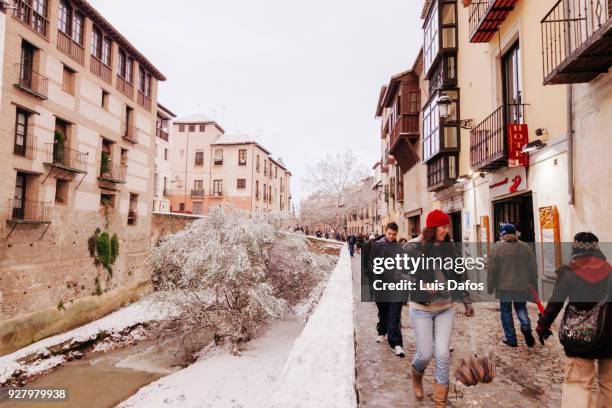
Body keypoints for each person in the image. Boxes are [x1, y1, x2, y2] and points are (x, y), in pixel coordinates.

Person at [405, 209, 475, 407]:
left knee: (443, 354)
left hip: (445, 307)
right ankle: (416, 377)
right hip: (421, 308)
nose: (446, 230)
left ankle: (439, 401)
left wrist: (466, 301)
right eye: (443, 227)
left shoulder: (449, 246)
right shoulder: (413, 247)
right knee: (425, 353)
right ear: (432, 228)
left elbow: (458, 275)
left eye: (447, 226)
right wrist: (422, 285)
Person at [536, 232, 612, 408]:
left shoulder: (569, 273)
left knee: (578, 384)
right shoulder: (609, 272)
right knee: (609, 385)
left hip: (580, 337)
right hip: (609, 336)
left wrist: (542, 325)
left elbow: (555, 303)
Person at [487, 223, 538, 348]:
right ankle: (526, 327)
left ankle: (511, 339)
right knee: (521, 308)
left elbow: (492, 269)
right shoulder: (526, 248)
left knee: (506, 312)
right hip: (522, 286)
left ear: (503, 234)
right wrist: (534, 286)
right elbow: (533, 269)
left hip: (504, 287)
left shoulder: (498, 248)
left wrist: (490, 286)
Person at [367, 222, 407, 358]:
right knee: (383, 311)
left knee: (394, 315)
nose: (391, 236)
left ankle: (396, 344)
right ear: (385, 232)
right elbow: (371, 264)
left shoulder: (399, 248)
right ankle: (381, 331)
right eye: (389, 233)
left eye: (394, 234)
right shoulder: (376, 246)